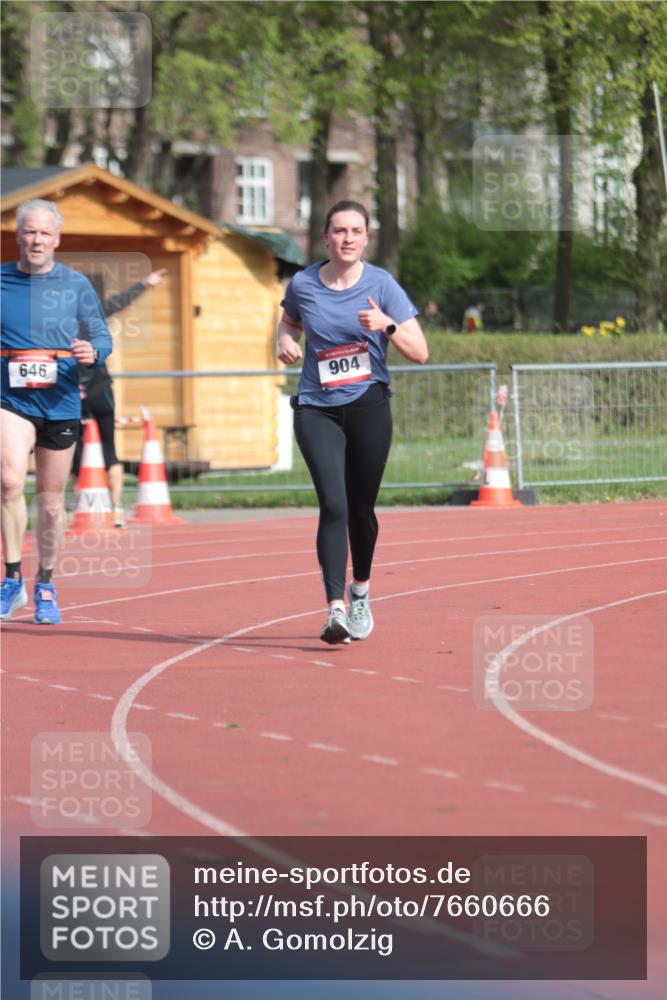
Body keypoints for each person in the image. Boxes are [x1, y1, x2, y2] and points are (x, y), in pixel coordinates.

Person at [277, 200, 428, 644]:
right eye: (339, 231)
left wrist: (387, 326)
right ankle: (335, 609)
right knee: (334, 505)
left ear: (366, 239)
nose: (347, 238)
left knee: (361, 510)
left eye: (355, 231)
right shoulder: (304, 283)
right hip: (316, 408)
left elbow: (421, 353)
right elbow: (288, 323)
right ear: (325, 237)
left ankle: (359, 589)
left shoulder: (382, 285)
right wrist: (285, 342)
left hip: (368, 406)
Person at [1, 200, 112, 624]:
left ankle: (45, 582)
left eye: (45, 233)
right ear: (18, 237)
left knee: (49, 503)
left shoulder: (75, 285)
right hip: (9, 399)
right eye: (29, 232)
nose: (36, 240)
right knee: (9, 479)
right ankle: (12, 578)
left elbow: (102, 337)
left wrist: (92, 351)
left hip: (61, 400)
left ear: (57, 239)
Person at [71, 268, 167, 528]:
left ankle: (91, 508)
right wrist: (146, 282)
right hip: (96, 388)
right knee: (105, 450)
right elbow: (122, 300)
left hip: (79, 390)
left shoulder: (60, 317)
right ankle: (115, 509)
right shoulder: (97, 311)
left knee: (75, 452)